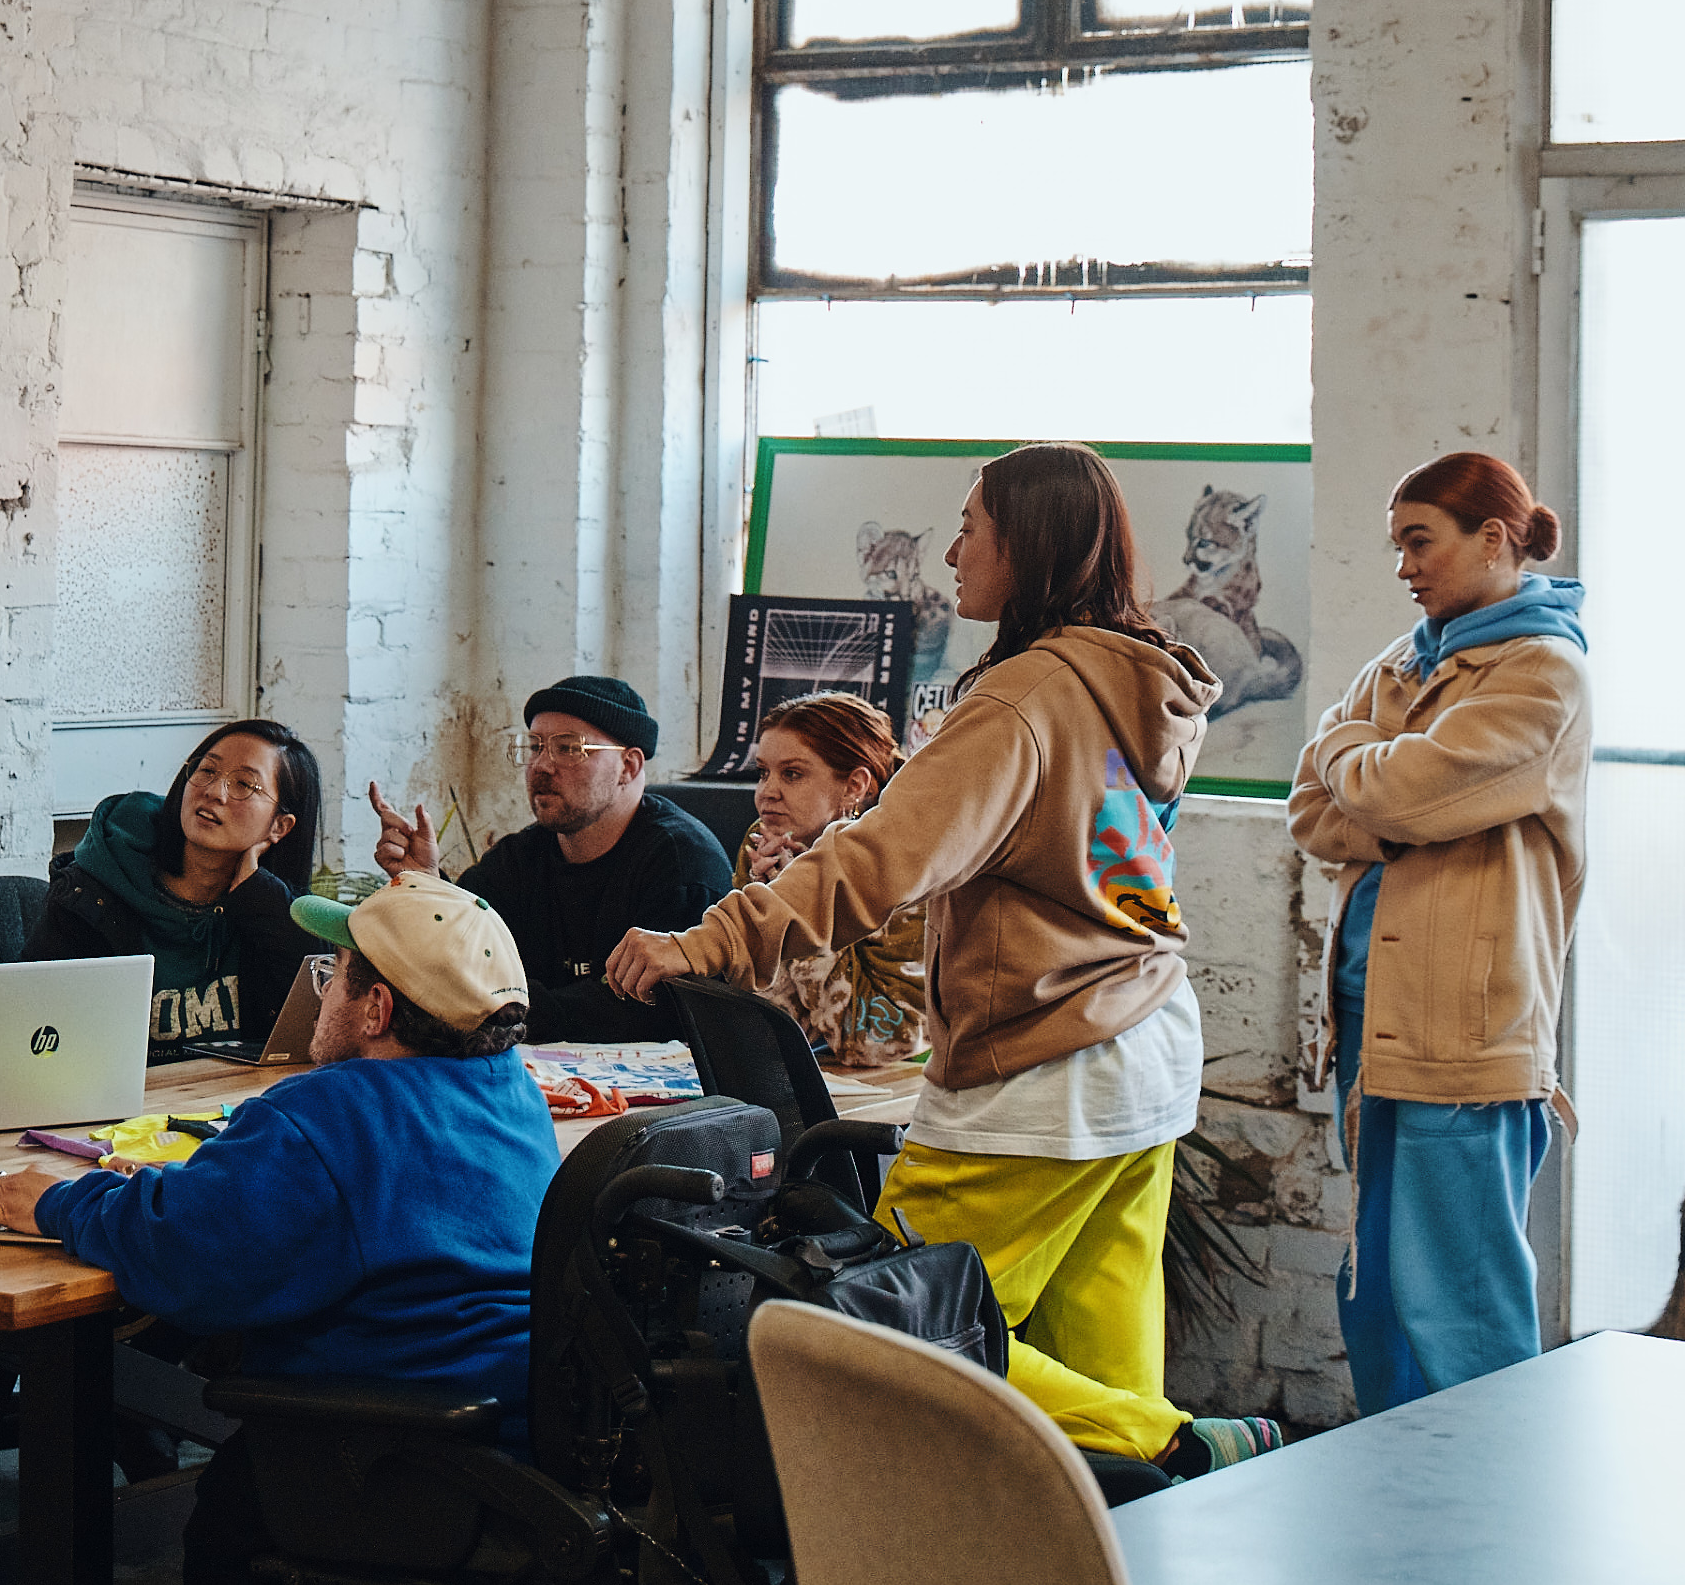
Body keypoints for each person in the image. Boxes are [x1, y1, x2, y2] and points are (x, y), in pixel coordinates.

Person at [608, 444, 1284, 1477]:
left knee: (876, 1325)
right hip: (1144, 1043)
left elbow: (874, 858)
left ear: (1031, 545)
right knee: (1103, 1358)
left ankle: (1177, 1443)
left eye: (974, 525)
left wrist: (704, 940)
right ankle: (1143, 1536)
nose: (956, 547)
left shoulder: (1021, 700)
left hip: (1041, 1064)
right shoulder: (1133, 683)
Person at [0, 877, 553, 1585]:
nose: (322, 988)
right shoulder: (511, 1090)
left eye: (335, 971)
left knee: (222, 1542)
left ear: (376, 1009)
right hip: (512, 1442)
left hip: (379, 1463)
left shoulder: (327, 1113)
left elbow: (182, 1257)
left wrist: (51, 1201)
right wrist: (200, 1182)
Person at [1287, 449, 1588, 1416]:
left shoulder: (1544, 670)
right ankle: (1396, 1497)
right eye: (1398, 546)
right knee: (1374, 1287)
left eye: (1421, 541)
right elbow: (1313, 810)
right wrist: (1372, 781)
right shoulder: (1408, 657)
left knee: (1462, 1299)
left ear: (1494, 539)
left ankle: (1490, 1514)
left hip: (1466, 1029)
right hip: (1368, 1024)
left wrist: (1348, 754)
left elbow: (1403, 789)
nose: (1406, 566)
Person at [367, 675, 731, 1040]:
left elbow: (644, 1015)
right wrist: (427, 884)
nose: (541, 765)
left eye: (569, 748)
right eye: (535, 747)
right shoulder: (521, 857)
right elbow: (464, 947)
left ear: (629, 767)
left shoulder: (684, 868)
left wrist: (506, 1007)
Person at [24, 718, 323, 1055]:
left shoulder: (278, 913)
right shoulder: (91, 895)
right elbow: (33, 1032)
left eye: (243, 784)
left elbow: (320, 1036)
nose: (214, 792)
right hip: (126, 1105)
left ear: (279, 826)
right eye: (207, 771)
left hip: (237, 1103)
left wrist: (260, 898)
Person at [739, 692, 926, 1070]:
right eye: (763, 772)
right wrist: (769, 900)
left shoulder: (905, 859)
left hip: (915, 1081)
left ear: (855, 786)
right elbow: (763, 1029)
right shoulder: (767, 843)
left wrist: (798, 908)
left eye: (792, 774)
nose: (767, 792)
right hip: (828, 1076)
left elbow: (878, 1042)